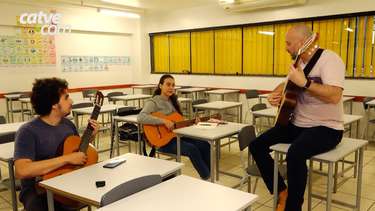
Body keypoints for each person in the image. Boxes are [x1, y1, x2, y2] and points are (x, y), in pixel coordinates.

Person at [249, 25, 344, 211]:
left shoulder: (330, 60)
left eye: (288, 43)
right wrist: (275, 94)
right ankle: (282, 192)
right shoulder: (298, 64)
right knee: (256, 145)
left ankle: (293, 207)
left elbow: (334, 96)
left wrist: (306, 83)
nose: (285, 47)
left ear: (302, 43)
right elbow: (285, 84)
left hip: (327, 128)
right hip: (297, 124)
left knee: (295, 153)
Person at [14, 78, 99, 211]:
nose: (71, 101)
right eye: (66, 97)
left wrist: (90, 138)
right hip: (38, 190)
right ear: (54, 104)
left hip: (67, 181)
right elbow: (22, 170)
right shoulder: (27, 131)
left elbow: (75, 152)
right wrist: (67, 159)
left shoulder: (67, 124)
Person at [138, 74, 210, 180]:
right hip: (163, 141)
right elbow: (141, 117)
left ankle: (209, 174)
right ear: (160, 86)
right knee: (192, 149)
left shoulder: (173, 102)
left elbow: (178, 121)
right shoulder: (153, 102)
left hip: (176, 135)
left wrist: (192, 122)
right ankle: (207, 177)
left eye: (173, 85)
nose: (171, 87)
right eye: (168, 84)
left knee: (204, 144)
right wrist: (163, 121)